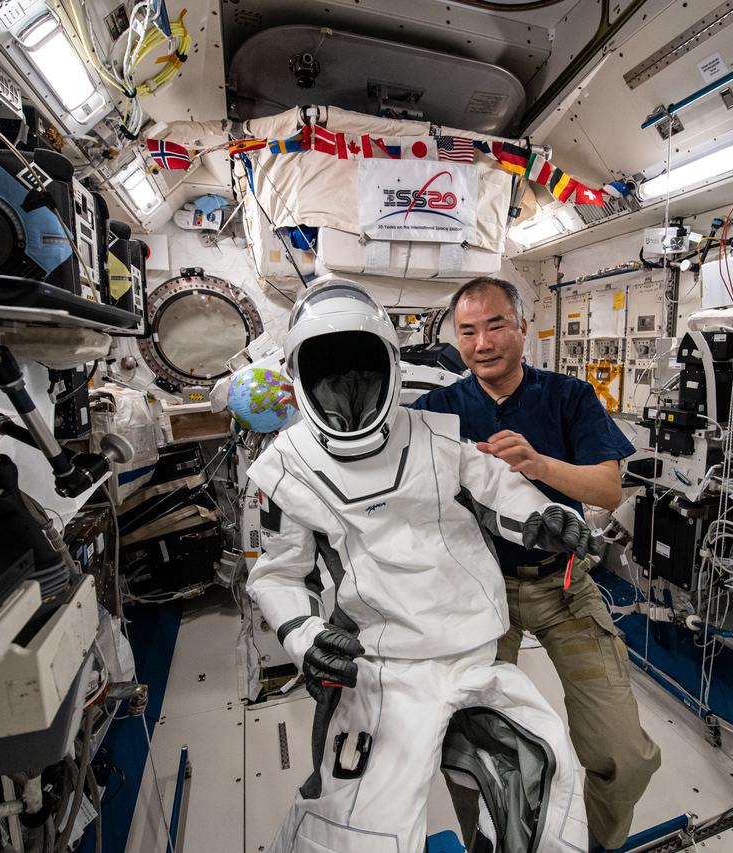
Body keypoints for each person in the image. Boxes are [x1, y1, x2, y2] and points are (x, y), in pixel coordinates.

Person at [245, 280, 593, 853]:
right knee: (356, 831)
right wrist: (306, 639)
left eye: (360, 368)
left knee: (546, 790)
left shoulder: (436, 435)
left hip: (475, 648)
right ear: (300, 376)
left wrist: (543, 516)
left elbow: (499, 488)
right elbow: (279, 574)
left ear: (389, 362)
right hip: (380, 669)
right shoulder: (284, 470)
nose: (348, 389)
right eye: (331, 372)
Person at [412, 276, 661, 852]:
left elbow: (605, 489)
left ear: (524, 328)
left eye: (496, 325)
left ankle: (597, 842)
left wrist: (538, 464)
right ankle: (487, 843)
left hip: (564, 586)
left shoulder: (568, 396)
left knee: (622, 754)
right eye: (467, 331)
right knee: (472, 749)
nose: (482, 343)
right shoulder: (438, 409)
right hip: (476, 594)